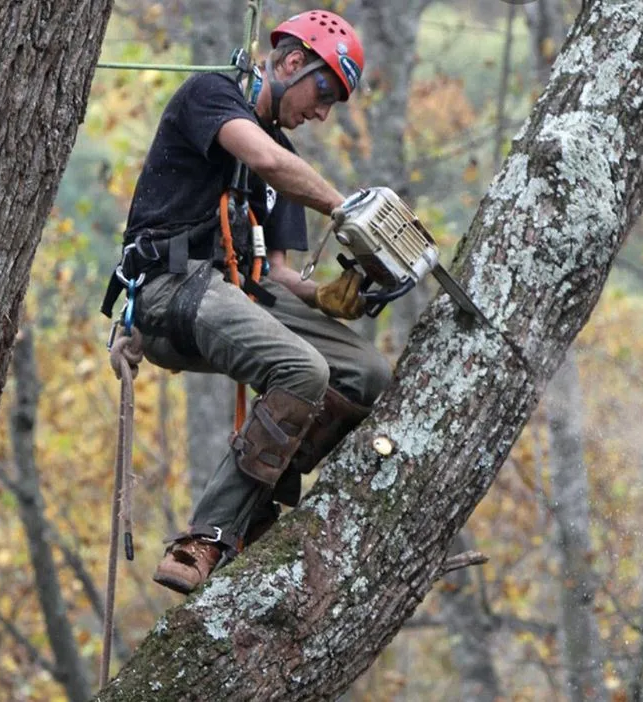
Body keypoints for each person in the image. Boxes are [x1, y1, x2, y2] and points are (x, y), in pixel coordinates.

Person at [101, 10, 391, 595]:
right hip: (168, 289)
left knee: (366, 373)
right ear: (292, 62)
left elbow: (276, 274)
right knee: (302, 370)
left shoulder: (281, 156)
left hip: (234, 292)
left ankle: (253, 504)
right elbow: (266, 161)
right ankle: (208, 535)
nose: (322, 113)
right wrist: (348, 209)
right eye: (324, 93)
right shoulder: (211, 97)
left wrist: (325, 298)